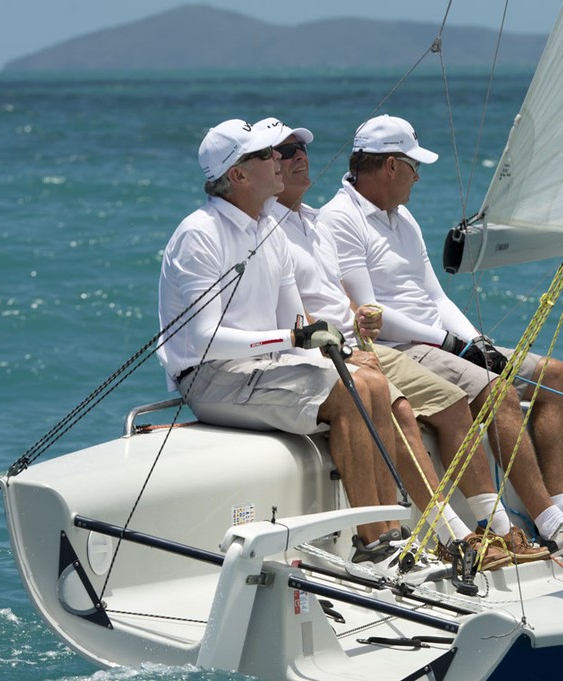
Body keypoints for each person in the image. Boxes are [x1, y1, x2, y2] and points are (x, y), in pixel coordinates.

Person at [316, 114, 563, 556]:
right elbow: (370, 313)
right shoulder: (340, 219)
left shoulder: (402, 218)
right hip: (402, 348)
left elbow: (436, 296)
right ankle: (550, 525)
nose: (419, 176)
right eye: (414, 166)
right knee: (498, 392)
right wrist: (451, 345)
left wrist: (477, 342)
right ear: (390, 167)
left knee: (556, 376)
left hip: (441, 341)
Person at [156, 118, 441, 581]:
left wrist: (331, 348)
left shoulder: (267, 227)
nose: (279, 161)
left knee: (369, 382)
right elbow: (204, 338)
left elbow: (295, 319)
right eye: (266, 154)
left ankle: (392, 534)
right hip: (211, 377)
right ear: (239, 176)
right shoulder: (200, 234)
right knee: (350, 395)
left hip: (268, 367)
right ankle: (374, 544)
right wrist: (292, 341)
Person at [258, 116, 548, 570]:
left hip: (361, 343)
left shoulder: (312, 221)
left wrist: (364, 319)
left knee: (456, 403)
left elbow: (347, 298)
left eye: (302, 150)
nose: (299, 159)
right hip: (331, 352)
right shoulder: (278, 227)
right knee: (406, 410)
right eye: (285, 153)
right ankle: (451, 537)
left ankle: (494, 528)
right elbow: (292, 313)